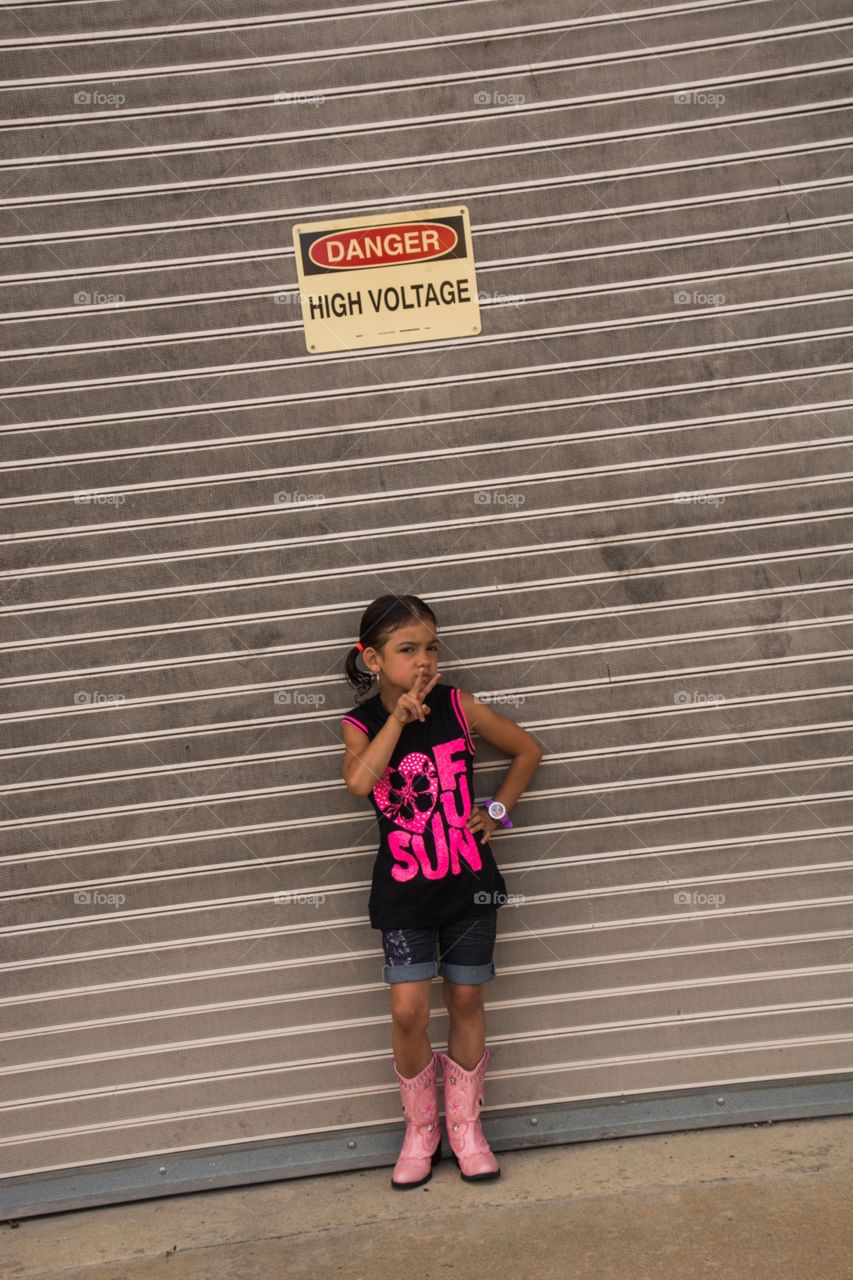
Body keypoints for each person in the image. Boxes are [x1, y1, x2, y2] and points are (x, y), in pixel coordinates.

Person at [340, 593, 543, 1189]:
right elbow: (359, 783)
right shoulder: (362, 725)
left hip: (469, 886)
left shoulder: (459, 706)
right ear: (372, 660)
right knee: (407, 1011)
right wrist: (399, 719)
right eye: (408, 650)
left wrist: (498, 811)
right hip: (404, 893)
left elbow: (527, 751)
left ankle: (465, 1127)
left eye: (432, 647)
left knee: (466, 1001)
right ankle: (420, 1129)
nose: (425, 661)